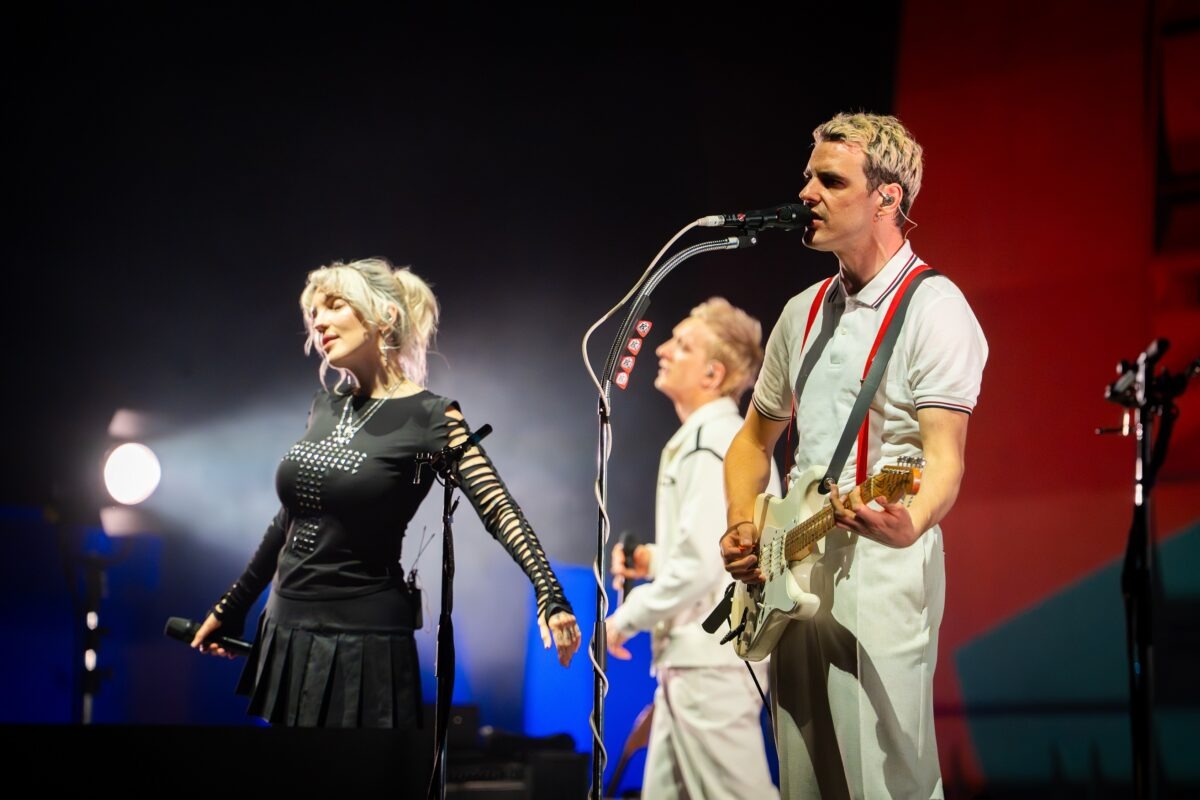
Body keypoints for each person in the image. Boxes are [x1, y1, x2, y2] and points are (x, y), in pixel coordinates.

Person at [721, 113, 988, 798]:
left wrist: (914, 518)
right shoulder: (801, 311)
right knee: (804, 781)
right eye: (808, 177)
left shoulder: (936, 308)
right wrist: (743, 524)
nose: (806, 192)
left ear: (886, 198)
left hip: (881, 563)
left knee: (885, 781)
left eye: (830, 180)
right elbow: (752, 441)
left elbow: (944, 459)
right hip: (789, 565)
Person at [191, 257, 580, 727]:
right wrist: (232, 606)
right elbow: (290, 519)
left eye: (334, 305)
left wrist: (549, 592)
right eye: (314, 312)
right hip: (286, 629)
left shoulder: (431, 416)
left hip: (363, 641)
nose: (318, 322)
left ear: (384, 316)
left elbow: (498, 507)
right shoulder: (324, 406)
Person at [607, 298, 780, 800]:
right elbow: (713, 554)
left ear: (712, 373)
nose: (662, 350)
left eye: (682, 345)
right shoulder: (715, 438)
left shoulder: (713, 442)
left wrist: (624, 619)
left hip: (710, 664)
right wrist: (653, 560)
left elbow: (703, 564)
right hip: (696, 664)